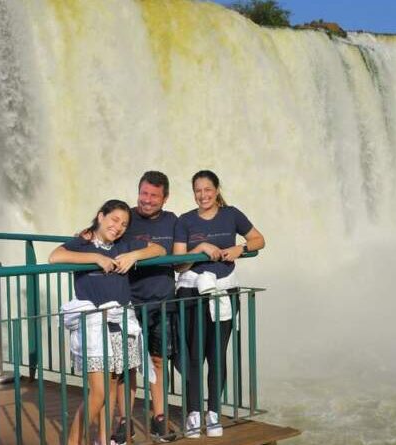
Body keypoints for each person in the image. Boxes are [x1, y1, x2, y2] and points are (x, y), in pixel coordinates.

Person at [50, 199, 165, 445]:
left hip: (120, 320)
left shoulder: (123, 244)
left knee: (113, 383)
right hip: (94, 324)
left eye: (124, 224)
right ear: (101, 216)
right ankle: (73, 441)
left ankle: (102, 440)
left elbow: (159, 250)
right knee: (100, 392)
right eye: (114, 220)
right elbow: (55, 256)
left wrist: (134, 255)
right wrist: (95, 258)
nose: (119, 227)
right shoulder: (82, 242)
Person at [173, 170, 265, 438]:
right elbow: (178, 263)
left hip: (224, 291)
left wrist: (240, 249)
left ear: (216, 190)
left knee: (216, 353)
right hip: (192, 292)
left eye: (207, 190)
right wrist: (200, 247)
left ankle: (213, 412)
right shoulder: (184, 221)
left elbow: (259, 239)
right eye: (198, 190)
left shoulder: (232, 214)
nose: (203, 195)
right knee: (193, 356)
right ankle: (192, 413)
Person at [112, 172, 178, 444]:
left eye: (154, 195)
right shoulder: (125, 217)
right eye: (144, 193)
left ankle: (158, 417)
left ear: (165, 197)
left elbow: (167, 250)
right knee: (126, 366)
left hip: (162, 301)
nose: (147, 200)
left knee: (158, 361)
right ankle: (123, 422)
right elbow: (102, 233)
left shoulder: (173, 221)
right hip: (129, 302)